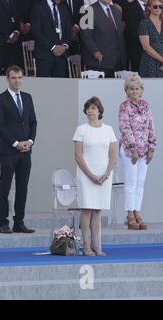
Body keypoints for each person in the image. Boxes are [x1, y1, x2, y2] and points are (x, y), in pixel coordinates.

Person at [0, 65, 37, 234]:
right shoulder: (0, 99)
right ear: (7, 79)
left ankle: (19, 221)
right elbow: (0, 125)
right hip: (8, 151)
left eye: (19, 77)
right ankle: (3, 222)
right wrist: (16, 143)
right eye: (14, 78)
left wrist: (30, 141)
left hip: (26, 152)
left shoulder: (27, 97)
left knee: (22, 187)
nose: (17, 81)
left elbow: (33, 122)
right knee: (5, 187)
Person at [73, 97, 117, 256]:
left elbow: (113, 155)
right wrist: (91, 175)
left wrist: (106, 173)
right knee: (87, 210)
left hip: (104, 175)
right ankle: (85, 246)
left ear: (99, 111)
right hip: (86, 175)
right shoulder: (81, 129)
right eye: (88, 108)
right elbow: (78, 156)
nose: (90, 111)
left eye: (93, 108)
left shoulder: (108, 129)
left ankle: (97, 246)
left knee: (97, 211)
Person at [118, 75, 157, 230]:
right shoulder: (124, 106)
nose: (134, 91)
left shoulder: (145, 105)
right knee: (131, 182)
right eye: (131, 89)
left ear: (141, 90)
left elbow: (151, 126)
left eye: (137, 89)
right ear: (127, 91)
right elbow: (125, 128)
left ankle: (137, 212)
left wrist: (152, 147)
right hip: (129, 150)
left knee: (140, 183)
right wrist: (133, 148)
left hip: (144, 149)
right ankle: (129, 214)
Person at [80, 0, 126, 77]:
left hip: (117, 62)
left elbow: (119, 35)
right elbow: (85, 35)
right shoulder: (88, 10)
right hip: (98, 62)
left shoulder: (116, 10)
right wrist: (95, 52)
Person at [31, 0, 72, 77]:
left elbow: (68, 30)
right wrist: (53, 47)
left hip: (61, 54)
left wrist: (65, 46)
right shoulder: (38, 7)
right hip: (44, 55)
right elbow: (36, 32)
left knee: (59, 86)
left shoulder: (63, 7)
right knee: (43, 85)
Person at [0, 0, 21, 75]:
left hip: (12, 42)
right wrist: (9, 35)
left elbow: (17, 17)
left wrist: (16, 31)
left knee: (11, 71)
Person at [138, 0, 163, 77]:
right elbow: (146, 47)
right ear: (149, 7)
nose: (158, 8)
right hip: (150, 62)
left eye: (160, 6)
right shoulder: (144, 23)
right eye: (155, 6)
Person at [123, 0, 146, 72]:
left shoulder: (156, 5)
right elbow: (132, 30)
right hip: (138, 50)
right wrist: (147, 43)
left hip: (152, 52)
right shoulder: (130, 6)